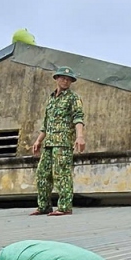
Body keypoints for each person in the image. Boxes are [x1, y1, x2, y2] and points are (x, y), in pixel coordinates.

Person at [30, 67, 86, 216]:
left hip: (63, 142)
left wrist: (80, 136)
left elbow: (78, 118)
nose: (65, 81)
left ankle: (64, 206)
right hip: (49, 143)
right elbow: (46, 123)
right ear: (56, 78)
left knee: (61, 174)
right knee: (42, 174)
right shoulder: (51, 98)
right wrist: (38, 141)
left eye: (68, 79)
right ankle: (44, 206)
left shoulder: (73, 98)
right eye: (62, 78)